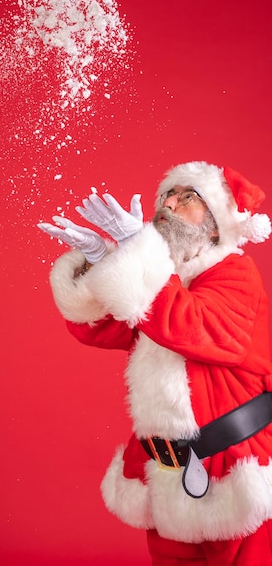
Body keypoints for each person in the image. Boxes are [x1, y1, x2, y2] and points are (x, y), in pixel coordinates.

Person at [38, 161, 272, 565]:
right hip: (170, 474)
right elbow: (102, 327)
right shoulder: (167, 278)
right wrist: (100, 262)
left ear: (216, 225)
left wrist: (137, 253)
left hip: (236, 469)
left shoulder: (235, 272)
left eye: (189, 197)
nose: (170, 203)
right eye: (168, 194)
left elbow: (196, 328)